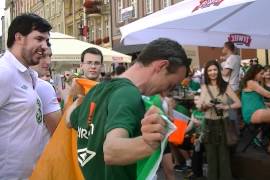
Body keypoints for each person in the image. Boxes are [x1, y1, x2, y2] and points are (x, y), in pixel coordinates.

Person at [66, 38, 191, 180]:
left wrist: (77, 102)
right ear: (161, 66)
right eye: (170, 85)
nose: (164, 93)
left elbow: (69, 120)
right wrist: (149, 144)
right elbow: (112, 152)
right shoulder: (129, 93)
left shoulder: (97, 90)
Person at [0, 13, 51, 179]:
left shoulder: (28, 74)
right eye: (39, 39)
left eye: (46, 41)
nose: (45, 46)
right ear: (19, 37)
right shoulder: (4, 72)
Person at [196, 60, 241, 180]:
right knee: (211, 156)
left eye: (214, 69)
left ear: (219, 71)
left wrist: (225, 106)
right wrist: (206, 105)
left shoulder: (225, 86)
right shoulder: (204, 87)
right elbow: (200, 108)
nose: (212, 72)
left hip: (223, 123)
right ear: (206, 72)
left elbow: (238, 103)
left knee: (223, 156)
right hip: (208, 125)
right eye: (209, 70)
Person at [31, 45, 61, 137]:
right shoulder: (44, 87)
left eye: (50, 56)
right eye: (43, 56)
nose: (48, 62)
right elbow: (58, 132)